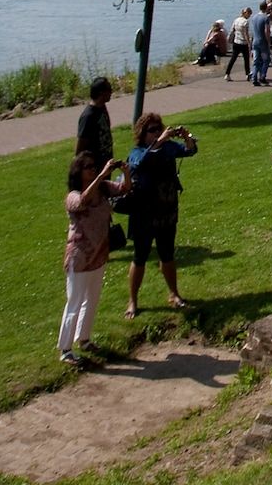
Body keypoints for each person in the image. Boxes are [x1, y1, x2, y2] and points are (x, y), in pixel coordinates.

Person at [123, 112, 197, 317]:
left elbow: (190, 151)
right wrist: (161, 140)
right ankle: (133, 301)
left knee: (167, 254)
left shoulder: (168, 148)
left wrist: (187, 137)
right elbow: (139, 163)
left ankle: (174, 294)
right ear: (142, 133)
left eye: (159, 129)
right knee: (140, 257)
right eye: (152, 130)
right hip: (144, 214)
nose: (157, 133)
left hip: (167, 211)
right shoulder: (137, 152)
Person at [59, 150, 128, 365]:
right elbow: (81, 202)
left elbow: (125, 189)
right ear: (78, 172)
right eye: (88, 167)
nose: (93, 169)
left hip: (98, 254)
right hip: (79, 256)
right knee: (75, 301)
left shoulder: (104, 189)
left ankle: (85, 339)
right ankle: (65, 348)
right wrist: (101, 176)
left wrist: (126, 172)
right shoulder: (72, 195)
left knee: (93, 299)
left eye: (94, 166)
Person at [75, 77, 113, 163]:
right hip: (94, 166)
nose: (111, 92)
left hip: (106, 162)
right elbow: (79, 148)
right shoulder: (88, 116)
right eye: (109, 89)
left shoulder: (102, 107)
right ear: (101, 93)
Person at [248, 0, 272, 86]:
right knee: (266, 60)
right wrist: (269, 42)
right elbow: (267, 31)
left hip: (255, 42)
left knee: (256, 60)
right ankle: (262, 76)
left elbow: (252, 31)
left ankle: (254, 77)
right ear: (266, 8)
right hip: (263, 42)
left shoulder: (254, 18)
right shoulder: (266, 18)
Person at [225, 7, 252, 82]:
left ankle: (227, 73)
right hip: (243, 43)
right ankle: (247, 74)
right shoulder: (245, 22)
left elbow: (232, 30)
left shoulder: (236, 20)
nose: (249, 16)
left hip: (236, 42)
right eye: (249, 14)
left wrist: (229, 39)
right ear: (246, 13)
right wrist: (249, 43)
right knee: (246, 59)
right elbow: (246, 34)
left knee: (233, 59)